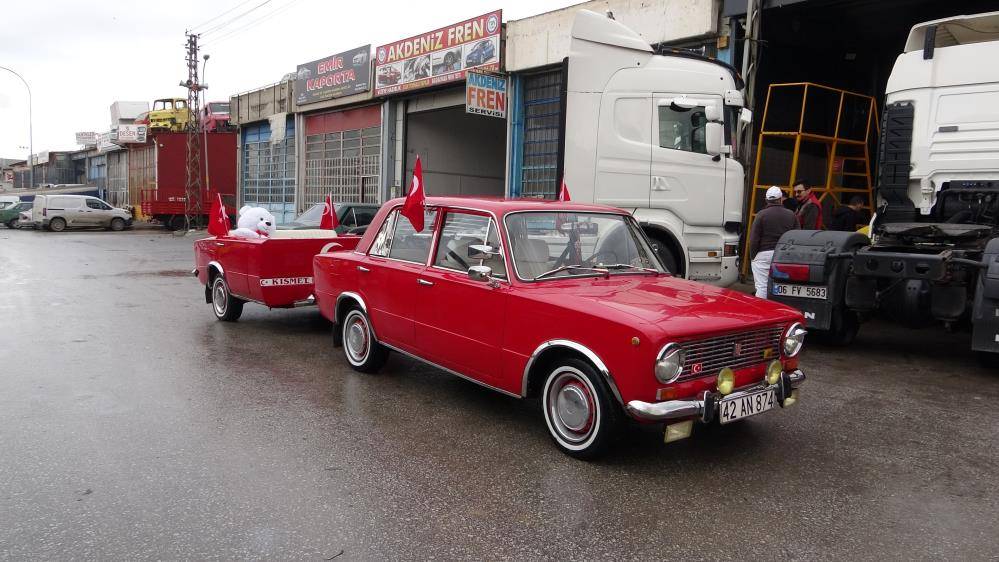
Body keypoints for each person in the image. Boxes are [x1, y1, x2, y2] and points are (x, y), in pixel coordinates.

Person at [749, 186, 798, 299]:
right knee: (782, 286)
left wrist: (753, 257)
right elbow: (796, 236)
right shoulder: (791, 215)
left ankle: (762, 313)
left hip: (763, 254)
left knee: (762, 287)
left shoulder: (761, 214)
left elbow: (754, 239)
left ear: (766, 200)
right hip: (783, 255)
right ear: (781, 199)